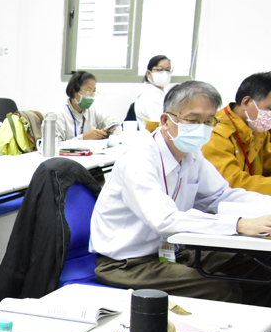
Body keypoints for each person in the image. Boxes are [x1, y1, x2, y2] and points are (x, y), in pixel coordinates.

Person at [90, 80, 271, 305]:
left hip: (173, 251)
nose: (202, 128)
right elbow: (164, 220)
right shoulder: (139, 159)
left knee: (258, 267)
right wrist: (238, 224)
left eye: (208, 122)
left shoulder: (191, 154)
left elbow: (221, 196)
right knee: (222, 289)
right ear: (166, 120)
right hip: (129, 264)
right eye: (193, 120)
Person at [202, 72, 271, 195]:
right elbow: (232, 183)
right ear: (246, 102)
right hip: (222, 208)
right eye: (270, 108)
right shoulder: (214, 134)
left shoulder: (258, 129)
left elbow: (268, 164)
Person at [56, 71, 119, 141]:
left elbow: (115, 125)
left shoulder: (93, 110)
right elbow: (54, 146)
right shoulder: (59, 115)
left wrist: (109, 132)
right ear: (74, 91)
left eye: (93, 91)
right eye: (88, 91)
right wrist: (83, 138)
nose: (92, 95)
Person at [134, 55, 173, 130]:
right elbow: (163, 123)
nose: (165, 73)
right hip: (155, 136)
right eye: (159, 70)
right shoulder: (149, 96)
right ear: (149, 73)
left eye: (168, 70)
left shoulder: (164, 92)